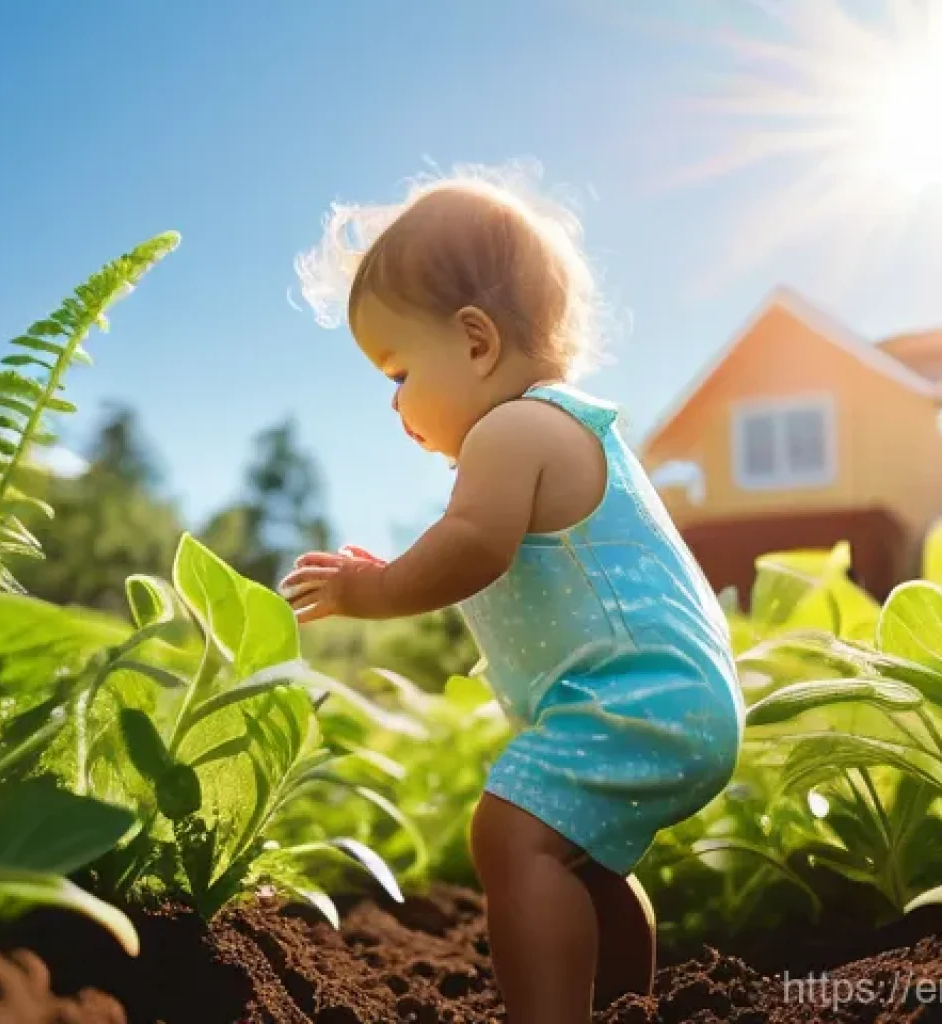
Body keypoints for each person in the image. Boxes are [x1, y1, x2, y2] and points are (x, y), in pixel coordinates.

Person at [279, 165, 745, 1024]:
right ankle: (621, 1006)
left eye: (396, 373)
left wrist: (371, 590)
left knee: (509, 834)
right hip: (671, 695)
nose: (394, 405)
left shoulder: (514, 428)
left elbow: (471, 548)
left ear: (476, 341)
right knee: (580, 857)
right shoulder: (550, 428)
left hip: (637, 696)